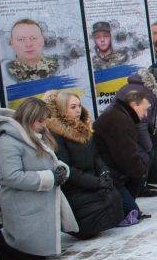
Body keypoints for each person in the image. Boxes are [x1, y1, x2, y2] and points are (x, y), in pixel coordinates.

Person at [0, 98, 77, 260]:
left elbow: (47, 161)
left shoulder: (36, 136)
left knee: (40, 252)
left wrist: (60, 169)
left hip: (40, 207)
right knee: (32, 254)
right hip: (24, 208)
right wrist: (49, 178)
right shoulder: (8, 142)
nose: (44, 125)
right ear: (28, 118)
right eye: (40, 121)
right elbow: (12, 177)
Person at [44, 91, 125, 239]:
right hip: (75, 189)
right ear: (62, 109)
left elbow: (96, 156)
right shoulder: (56, 135)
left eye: (79, 106)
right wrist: (96, 183)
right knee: (95, 205)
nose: (78, 110)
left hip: (91, 181)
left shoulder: (83, 129)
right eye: (73, 107)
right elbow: (68, 170)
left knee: (114, 192)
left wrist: (104, 173)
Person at [93, 85, 153, 225]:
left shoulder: (120, 115)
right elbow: (126, 157)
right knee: (131, 211)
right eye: (144, 110)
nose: (145, 115)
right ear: (133, 105)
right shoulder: (120, 120)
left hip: (111, 170)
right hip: (109, 174)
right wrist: (142, 170)